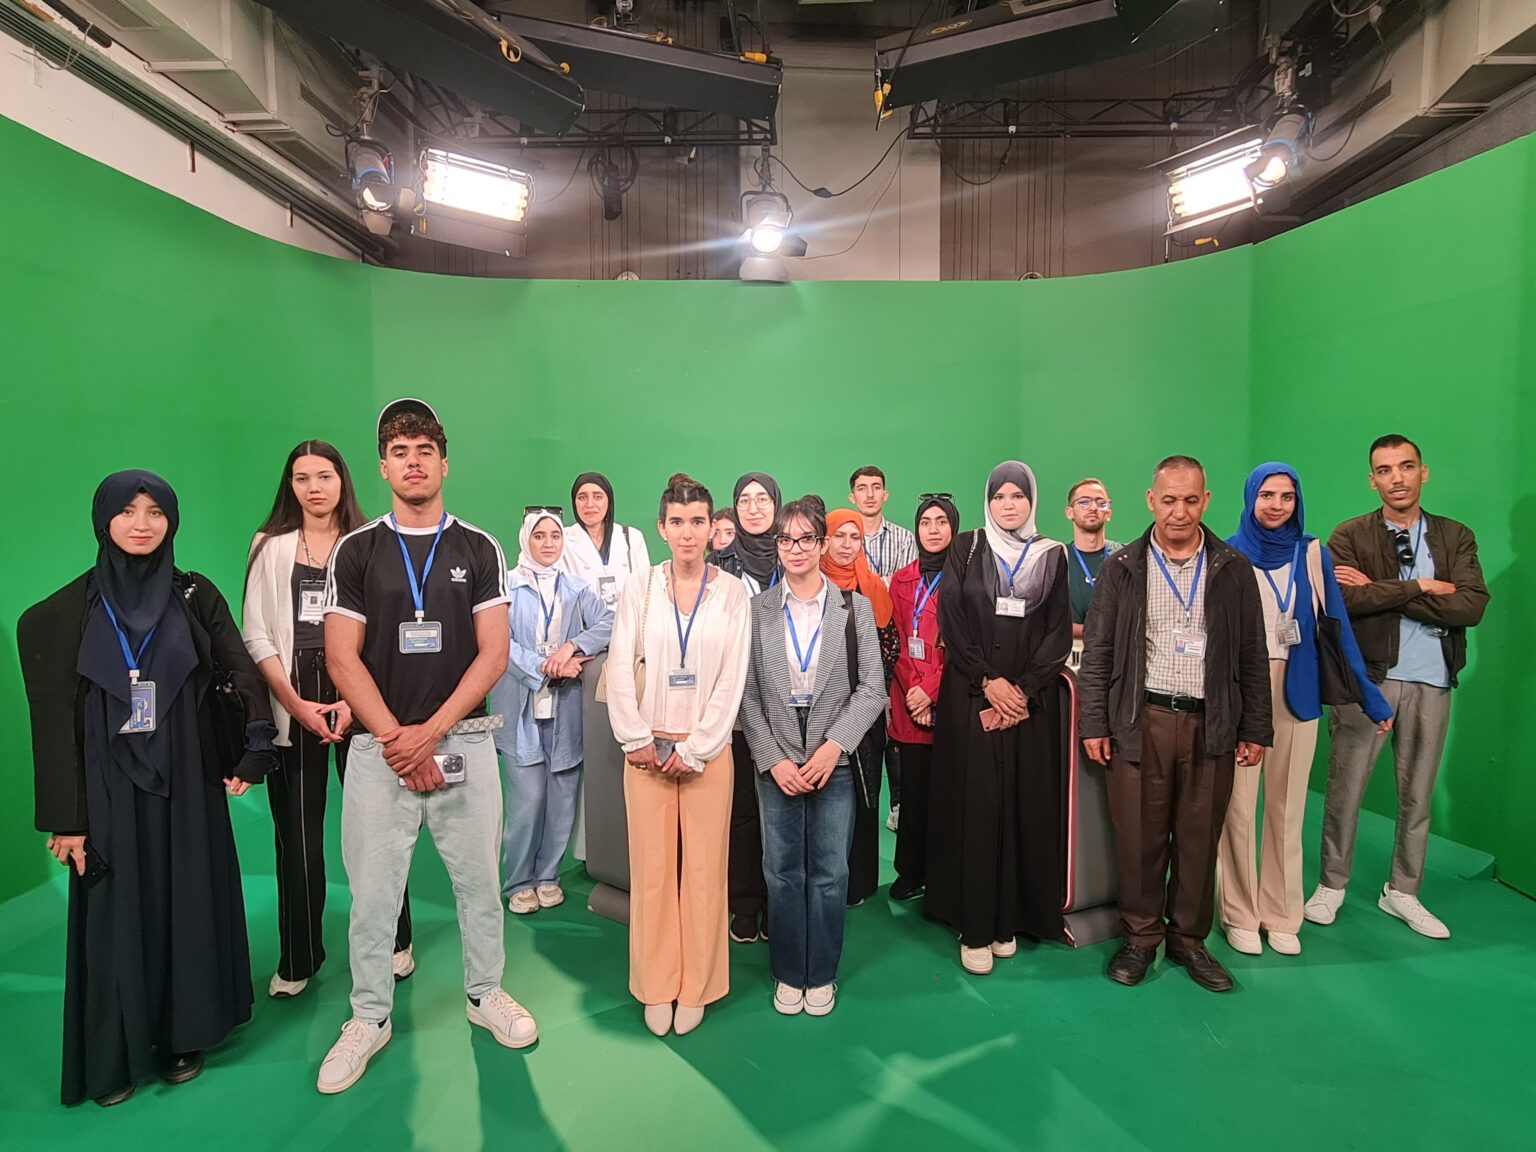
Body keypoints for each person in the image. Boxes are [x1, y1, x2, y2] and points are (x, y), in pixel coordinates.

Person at [19, 470, 278, 1107]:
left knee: (187, 897)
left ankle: (181, 1033)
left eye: (156, 511)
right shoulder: (60, 615)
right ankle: (115, 1051)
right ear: (102, 520)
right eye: (128, 511)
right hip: (106, 790)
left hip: (187, 781)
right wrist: (67, 819)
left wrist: (253, 752)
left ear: (171, 521)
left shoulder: (195, 596)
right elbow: (51, 724)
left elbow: (240, 671)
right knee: (116, 910)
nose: (142, 524)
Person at [316, 399, 536, 1095]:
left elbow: (494, 654)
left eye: (425, 451)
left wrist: (430, 733)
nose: (413, 462)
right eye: (400, 452)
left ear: (445, 464)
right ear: (384, 468)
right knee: (373, 897)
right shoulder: (357, 550)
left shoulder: (479, 547)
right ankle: (368, 1017)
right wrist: (394, 738)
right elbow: (341, 657)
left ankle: (485, 993)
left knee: (480, 886)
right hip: (377, 753)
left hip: (462, 743)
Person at [1079, 455, 1271, 993]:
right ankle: (1141, 939)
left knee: (1198, 838)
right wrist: (1094, 724)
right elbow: (1098, 651)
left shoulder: (1233, 568)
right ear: (1150, 500)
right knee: (1139, 839)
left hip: (1212, 725)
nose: (1179, 512)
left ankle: (1189, 940)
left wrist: (1255, 728)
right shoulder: (1123, 567)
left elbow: (1252, 654)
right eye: (1168, 500)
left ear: (1206, 501)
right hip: (1141, 720)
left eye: (1190, 500)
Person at [243, 440, 415, 999]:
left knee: (379, 832)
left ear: (344, 480)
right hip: (294, 701)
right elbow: (256, 634)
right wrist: (294, 704)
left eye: (324, 476)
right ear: (290, 486)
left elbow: (385, 633)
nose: (314, 488)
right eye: (302, 478)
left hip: (361, 699)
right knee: (297, 837)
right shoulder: (269, 546)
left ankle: (395, 941)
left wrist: (352, 700)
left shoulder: (372, 541)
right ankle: (298, 956)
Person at [1305, 434, 1489, 939]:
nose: (1397, 478)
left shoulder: (1455, 536)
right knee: (1345, 789)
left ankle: (1402, 891)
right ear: (1373, 481)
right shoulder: (1350, 535)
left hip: (1434, 681)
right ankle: (1331, 884)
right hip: (1369, 680)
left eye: (1406, 467)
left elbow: (1471, 605)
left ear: (1422, 472)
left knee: (1418, 795)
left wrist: (1382, 592)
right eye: (1385, 470)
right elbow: (1344, 601)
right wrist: (1422, 587)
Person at [1217, 464, 1393, 957]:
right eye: (1267, 495)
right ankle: (1239, 913)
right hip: (1242, 692)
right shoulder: (1227, 554)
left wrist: (1371, 698)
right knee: (1237, 808)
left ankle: (1281, 913)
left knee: (1287, 807)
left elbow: (1338, 630)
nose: (1276, 505)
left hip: (1298, 689)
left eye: (1287, 496)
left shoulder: (1313, 553)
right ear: (1250, 498)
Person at [605, 474, 752, 1037]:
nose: (688, 533)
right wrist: (635, 738)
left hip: (706, 753)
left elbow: (732, 679)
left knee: (706, 871)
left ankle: (698, 986)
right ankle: (656, 983)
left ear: (712, 528)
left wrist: (698, 748)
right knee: (652, 872)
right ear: (661, 528)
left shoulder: (732, 593)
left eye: (698, 522)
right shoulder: (639, 587)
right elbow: (621, 666)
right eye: (677, 522)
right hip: (646, 749)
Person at [740, 498, 886, 1017]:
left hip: (834, 756)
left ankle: (820, 972)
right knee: (780, 871)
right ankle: (788, 971)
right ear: (776, 546)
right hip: (776, 753)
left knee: (829, 872)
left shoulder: (855, 609)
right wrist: (772, 758)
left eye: (806, 538)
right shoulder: (755, 611)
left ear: (822, 544)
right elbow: (746, 694)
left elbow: (873, 689)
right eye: (786, 539)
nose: (795, 548)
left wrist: (834, 747)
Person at [924, 464, 1072, 974]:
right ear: (987, 502)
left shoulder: (1052, 555)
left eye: (1018, 496)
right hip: (972, 699)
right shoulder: (967, 547)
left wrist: (1023, 689)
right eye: (999, 496)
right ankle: (975, 925)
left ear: (1032, 500)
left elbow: (1057, 632)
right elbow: (952, 621)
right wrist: (989, 680)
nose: (1008, 505)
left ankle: (1008, 919)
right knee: (978, 806)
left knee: (1019, 805)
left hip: (1027, 707)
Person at [492, 509, 613, 913]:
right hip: (522, 709)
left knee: (562, 802)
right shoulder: (506, 587)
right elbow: (498, 641)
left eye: (555, 536)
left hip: (566, 711)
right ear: (525, 539)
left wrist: (572, 647)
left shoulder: (577, 588)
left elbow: (610, 622)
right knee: (527, 803)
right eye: (539, 535)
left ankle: (547, 876)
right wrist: (542, 666)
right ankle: (518, 882)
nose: (548, 543)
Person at [714, 471, 782, 943]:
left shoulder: (793, 558)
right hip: (734, 712)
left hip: (788, 711)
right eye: (744, 500)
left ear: (776, 505)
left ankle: (779, 901)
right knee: (741, 812)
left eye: (762, 499)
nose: (754, 508)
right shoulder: (717, 567)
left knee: (782, 810)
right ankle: (743, 903)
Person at [821, 508, 898, 907]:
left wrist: (870, 694)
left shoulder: (873, 587)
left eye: (855, 538)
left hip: (866, 710)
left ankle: (860, 882)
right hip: (821, 710)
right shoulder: (810, 584)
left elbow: (891, 646)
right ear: (826, 540)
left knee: (865, 793)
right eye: (839, 536)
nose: (847, 545)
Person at [887, 495, 958, 902]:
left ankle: (945, 875)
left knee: (948, 795)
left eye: (941, 521)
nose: (933, 529)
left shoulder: (965, 578)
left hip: (950, 699)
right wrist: (915, 693)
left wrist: (931, 691)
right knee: (913, 794)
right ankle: (910, 872)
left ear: (953, 528)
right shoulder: (901, 580)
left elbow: (965, 645)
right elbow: (896, 641)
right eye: (926, 522)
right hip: (908, 701)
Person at [850, 466, 918, 831]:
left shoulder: (905, 538)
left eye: (876, 487)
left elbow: (905, 587)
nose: (870, 494)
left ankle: (899, 803)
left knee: (895, 722)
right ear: (852, 497)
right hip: (857, 638)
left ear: (885, 494)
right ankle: (864, 806)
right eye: (862, 488)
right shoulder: (847, 537)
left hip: (895, 636)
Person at [559, 472, 650, 611]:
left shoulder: (632, 538)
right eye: (582, 497)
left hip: (627, 621)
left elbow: (646, 589)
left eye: (598, 497)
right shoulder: (562, 540)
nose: (590, 504)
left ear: (609, 501)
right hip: (581, 623)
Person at [1063, 478, 1122, 642]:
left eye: (1101, 503)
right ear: (1069, 512)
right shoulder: (1057, 560)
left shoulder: (1125, 558)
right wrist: (1099, 630)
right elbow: (1046, 622)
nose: (1093, 508)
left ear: (1108, 513)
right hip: (1068, 653)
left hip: (1115, 652)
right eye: (1084, 502)